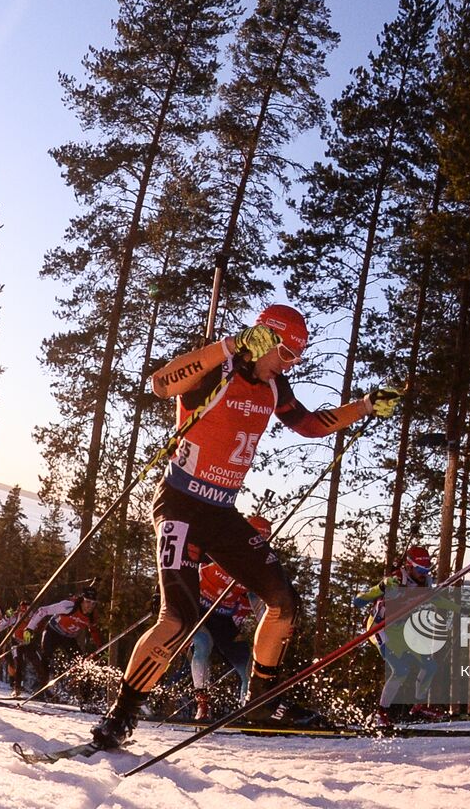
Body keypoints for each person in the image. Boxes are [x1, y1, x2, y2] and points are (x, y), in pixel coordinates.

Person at [91, 304, 404, 749]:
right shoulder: (217, 370)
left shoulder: (275, 385)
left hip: (221, 512)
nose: (290, 362)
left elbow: (311, 425)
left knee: (284, 602)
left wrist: (366, 406)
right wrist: (231, 345)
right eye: (288, 353)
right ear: (265, 338)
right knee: (178, 619)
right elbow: (161, 384)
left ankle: (260, 700)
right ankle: (121, 716)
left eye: (297, 356)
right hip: (180, 504)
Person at [353, 546, 448, 729]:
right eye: (420, 570)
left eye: (427, 570)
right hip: (379, 627)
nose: (424, 574)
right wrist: (382, 587)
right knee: (400, 669)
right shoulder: (396, 580)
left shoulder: (425, 581)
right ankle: (381, 714)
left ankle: (418, 707)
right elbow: (358, 601)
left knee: (429, 666)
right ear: (409, 566)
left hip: (399, 628)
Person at [187, 515, 270, 720]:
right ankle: (202, 704)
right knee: (203, 644)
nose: (257, 545)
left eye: (263, 541)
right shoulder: (219, 549)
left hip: (223, 620)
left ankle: (247, 710)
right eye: (256, 538)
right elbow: (183, 564)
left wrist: (272, 626)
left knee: (249, 664)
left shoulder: (257, 568)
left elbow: (258, 603)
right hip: (196, 609)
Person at [17, 587, 104, 696]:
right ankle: (41, 691)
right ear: (82, 600)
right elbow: (43, 610)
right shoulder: (68, 606)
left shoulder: (92, 615)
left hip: (69, 638)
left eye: (93, 603)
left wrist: (100, 647)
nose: (89, 606)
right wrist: (30, 628)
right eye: (87, 602)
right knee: (46, 658)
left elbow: (94, 631)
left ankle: (86, 699)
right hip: (53, 632)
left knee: (82, 664)